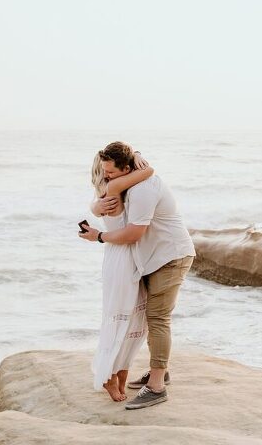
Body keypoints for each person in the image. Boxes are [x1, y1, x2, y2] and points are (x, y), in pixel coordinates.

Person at [80, 141, 195, 410]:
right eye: (105, 172)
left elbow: (134, 233)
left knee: (157, 317)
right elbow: (101, 202)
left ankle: (156, 386)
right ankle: (160, 370)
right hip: (150, 259)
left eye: (112, 173)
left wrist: (99, 237)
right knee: (146, 317)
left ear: (128, 168)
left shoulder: (143, 188)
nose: (107, 177)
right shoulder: (129, 181)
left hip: (170, 257)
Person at [85, 149, 153, 402]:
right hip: (122, 258)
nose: (108, 173)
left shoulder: (117, 190)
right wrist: (138, 159)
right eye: (106, 170)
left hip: (132, 256)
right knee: (119, 316)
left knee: (135, 320)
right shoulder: (114, 186)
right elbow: (149, 171)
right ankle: (109, 377)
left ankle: (121, 374)